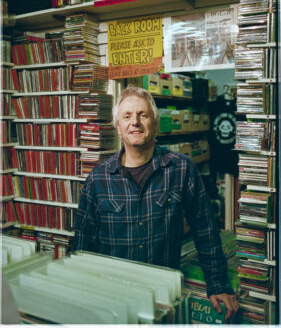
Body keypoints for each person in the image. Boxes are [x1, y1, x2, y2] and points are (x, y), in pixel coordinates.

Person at [74, 85, 239, 321]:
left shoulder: (182, 168)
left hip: (162, 295)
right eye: (127, 116)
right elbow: (83, 242)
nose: (135, 123)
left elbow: (205, 230)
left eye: (143, 115)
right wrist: (80, 293)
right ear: (118, 127)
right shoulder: (98, 178)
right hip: (112, 296)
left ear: (155, 123)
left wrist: (218, 284)